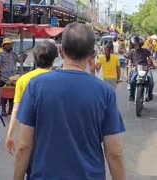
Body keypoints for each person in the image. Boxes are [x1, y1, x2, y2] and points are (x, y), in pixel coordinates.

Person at [14, 22, 125, 180]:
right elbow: (114, 152)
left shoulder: (36, 86)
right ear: (92, 54)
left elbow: (24, 145)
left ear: (61, 51)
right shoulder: (105, 92)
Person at [6, 40, 58, 154]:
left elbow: (16, 110)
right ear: (54, 59)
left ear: (34, 58)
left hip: (28, 130)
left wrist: (10, 135)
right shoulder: (59, 80)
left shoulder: (23, 80)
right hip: (53, 133)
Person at [128, 36, 157, 101]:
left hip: (146, 68)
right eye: (134, 45)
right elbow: (130, 61)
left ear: (139, 44)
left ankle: (149, 95)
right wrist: (130, 67)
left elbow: (151, 58)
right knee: (132, 81)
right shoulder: (131, 52)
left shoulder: (145, 50)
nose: (135, 46)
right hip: (136, 69)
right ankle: (132, 95)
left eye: (136, 44)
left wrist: (155, 63)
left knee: (151, 82)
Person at [0, 38, 19, 116]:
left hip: (13, 77)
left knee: (12, 94)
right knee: (4, 94)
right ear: (3, 46)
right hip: (3, 77)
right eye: (6, 45)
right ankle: (3, 110)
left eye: (9, 44)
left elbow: (20, 60)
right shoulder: (0, 54)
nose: (8, 46)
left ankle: (10, 110)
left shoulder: (14, 54)